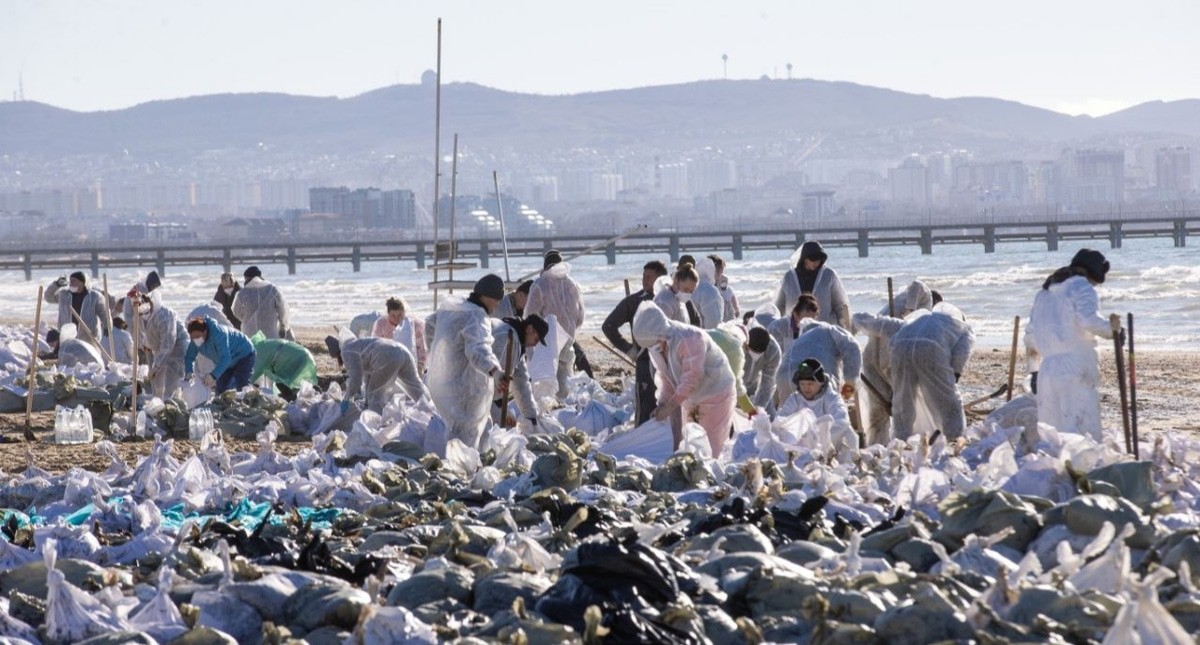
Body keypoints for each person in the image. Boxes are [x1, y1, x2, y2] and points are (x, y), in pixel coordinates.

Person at [1025, 248, 1115, 441]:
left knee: (1052, 435)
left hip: (1046, 370)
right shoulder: (1081, 287)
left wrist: (1034, 371)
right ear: (1092, 274)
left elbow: (1031, 335)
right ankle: (1084, 469)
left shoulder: (1044, 293)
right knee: (1081, 431)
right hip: (1075, 367)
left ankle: (1056, 470)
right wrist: (1112, 331)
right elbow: (1088, 321)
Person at [632, 302, 736, 457]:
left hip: (715, 390)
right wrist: (662, 404)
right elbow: (666, 378)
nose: (653, 347)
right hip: (689, 396)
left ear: (661, 334)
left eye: (653, 343)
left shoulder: (689, 339)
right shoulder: (656, 347)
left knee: (710, 444)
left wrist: (671, 406)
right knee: (690, 443)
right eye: (650, 345)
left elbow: (692, 376)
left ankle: (712, 477)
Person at [426, 274, 507, 449]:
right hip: (468, 385)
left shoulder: (454, 308)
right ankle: (460, 468)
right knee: (466, 430)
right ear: (487, 297)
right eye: (496, 300)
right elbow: (478, 349)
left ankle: (476, 462)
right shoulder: (477, 316)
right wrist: (495, 371)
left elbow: (430, 325)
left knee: (481, 425)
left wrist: (438, 356)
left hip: (449, 380)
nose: (497, 305)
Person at [852, 280, 934, 444]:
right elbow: (917, 285)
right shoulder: (926, 300)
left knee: (888, 405)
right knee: (889, 407)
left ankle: (887, 444)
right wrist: (910, 310)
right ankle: (884, 445)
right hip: (885, 356)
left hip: (877, 357)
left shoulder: (895, 309)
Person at [889, 307, 975, 441]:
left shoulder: (921, 320)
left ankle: (900, 439)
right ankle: (955, 438)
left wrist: (897, 378)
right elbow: (962, 352)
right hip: (931, 348)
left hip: (900, 347)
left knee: (903, 401)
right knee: (950, 402)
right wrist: (955, 375)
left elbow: (893, 341)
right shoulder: (964, 328)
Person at [602, 260, 669, 425]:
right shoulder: (634, 302)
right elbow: (608, 326)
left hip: (669, 363)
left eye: (649, 277)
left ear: (661, 279)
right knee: (645, 407)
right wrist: (628, 348)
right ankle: (642, 440)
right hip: (645, 361)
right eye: (643, 276)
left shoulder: (672, 301)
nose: (644, 280)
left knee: (668, 407)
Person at [774, 295, 861, 406]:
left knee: (790, 419)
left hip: (785, 379)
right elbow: (852, 347)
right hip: (819, 380)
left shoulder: (798, 340)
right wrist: (850, 385)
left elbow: (778, 367)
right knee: (828, 416)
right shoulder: (830, 330)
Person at [524, 250, 586, 400]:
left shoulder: (540, 284)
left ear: (545, 267)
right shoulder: (573, 285)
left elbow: (530, 316)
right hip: (568, 342)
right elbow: (580, 318)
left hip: (544, 344)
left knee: (544, 387)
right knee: (565, 386)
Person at [329, 336, 429, 413]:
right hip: (402, 349)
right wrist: (366, 401)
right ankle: (432, 411)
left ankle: (376, 426)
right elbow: (368, 376)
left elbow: (356, 379)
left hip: (386, 356)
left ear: (336, 353)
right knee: (416, 387)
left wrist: (346, 399)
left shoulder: (346, 351)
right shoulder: (358, 344)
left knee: (375, 398)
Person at [775, 240, 850, 329]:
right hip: (795, 331)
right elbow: (779, 306)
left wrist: (843, 328)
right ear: (804, 259)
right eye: (813, 259)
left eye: (819, 260)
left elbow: (840, 305)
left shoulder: (828, 275)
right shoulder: (789, 277)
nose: (816, 262)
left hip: (825, 330)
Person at [490, 314, 550, 427]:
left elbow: (522, 382)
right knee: (500, 431)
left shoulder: (519, 343)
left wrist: (531, 416)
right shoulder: (507, 337)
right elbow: (491, 376)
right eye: (536, 339)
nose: (535, 344)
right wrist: (501, 407)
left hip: (491, 395)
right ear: (529, 329)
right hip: (475, 389)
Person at [133, 290, 188, 400]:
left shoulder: (164, 316)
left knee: (172, 384)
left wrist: (156, 366)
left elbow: (168, 343)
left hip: (176, 352)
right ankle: (159, 403)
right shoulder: (144, 316)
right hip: (160, 353)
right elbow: (147, 333)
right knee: (158, 385)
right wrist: (147, 343)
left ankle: (170, 406)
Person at [184, 316, 256, 394]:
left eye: (197, 336)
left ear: (205, 331)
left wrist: (213, 375)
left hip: (243, 353)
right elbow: (189, 357)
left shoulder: (218, 334)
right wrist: (189, 372)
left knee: (241, 384)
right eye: (193, 337)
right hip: (228, 362)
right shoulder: (195, 341)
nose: (195, 339)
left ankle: (248, 401)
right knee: (221, 389)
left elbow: (225, 358)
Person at [778, 359, 852, 429]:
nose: (806, 388)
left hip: (828, 441)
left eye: (810, 384)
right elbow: (782, 418)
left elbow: (842, 421)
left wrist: (821, 436)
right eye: (802, 384)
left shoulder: (832, 398)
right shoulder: (795, 399)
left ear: (821, 382)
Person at [44, 271, 108, 346]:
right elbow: (48, 297)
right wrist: (56, 285)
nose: (71, 283)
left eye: (74, 281)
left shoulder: (94, 296)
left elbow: (103, 312)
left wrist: (107, 326)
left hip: (88, 334)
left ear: (82, 282)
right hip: (68, 333)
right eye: (70, 281)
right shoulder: (64, 295)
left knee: (87, 355)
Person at [249, 335, 318, 402]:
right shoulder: (264, 345)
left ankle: (291, 401)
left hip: (297, 358)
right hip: (305, 355)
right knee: (293, 385)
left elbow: (251, 376)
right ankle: (315, 391)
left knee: (281, 383)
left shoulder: (258, 352)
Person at [232, 266, 291, 340]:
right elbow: (283, 309)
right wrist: (283, 325)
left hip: (250, 333)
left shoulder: (242, 293)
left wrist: (248, 318)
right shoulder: (273, 290)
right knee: (270, 350)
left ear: (247, 278)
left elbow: (236, 311)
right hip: (270, 332)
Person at [372, 296, 427, 372]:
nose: (396, 318)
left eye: (399, 315)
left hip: (410, 362)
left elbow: (421, 347)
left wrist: (421, 364)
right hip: (388, 362)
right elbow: (376, 345)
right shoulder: (381, 324)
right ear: (388, 314)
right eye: (393, 315)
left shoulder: (414, 324)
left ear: (404, 312)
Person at [743, 326, 781, 414]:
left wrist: (758, 409)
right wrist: (746, 406)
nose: (755, 355)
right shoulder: (737, 345)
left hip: (753, 387)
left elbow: (768, 383)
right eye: (752, 351)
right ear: (746, 344)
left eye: (759, 353)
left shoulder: (773, 351)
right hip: (734, 388)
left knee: (768, 419)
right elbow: (733, 382)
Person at [692, 256, 725, 330]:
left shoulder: (692, 285)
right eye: (721, 272)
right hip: (702, 336)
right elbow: (714, 322)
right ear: (715, 271)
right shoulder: (709, 290)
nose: (721, 276)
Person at [710, 254, 740, 322]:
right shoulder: (708, 285)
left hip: (726, 314)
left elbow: (731, 295)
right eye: (719, 271)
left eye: (721, 271)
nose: (721, 274)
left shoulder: (723, 282)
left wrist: (736, 309)